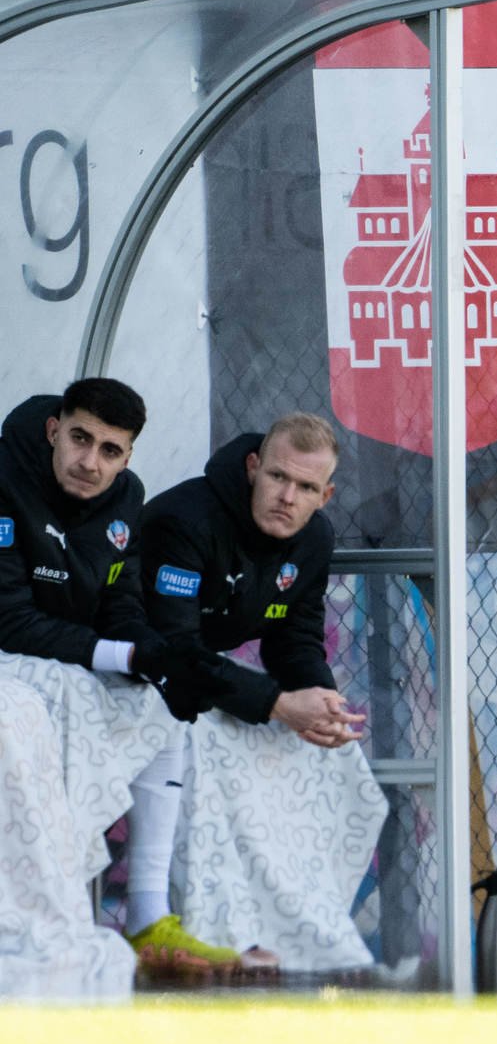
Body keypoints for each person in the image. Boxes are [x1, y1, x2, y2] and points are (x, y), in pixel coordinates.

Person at [0, 379, 231, 984]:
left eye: (110, 450)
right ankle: (53, 909)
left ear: (127, 457)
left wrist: (155, 656)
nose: (90, 462)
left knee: (162, 705)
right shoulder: (5, 478)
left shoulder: (127, 498)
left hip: (66, 657)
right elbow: (8, 619)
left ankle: (148, 918)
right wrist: (124, 654)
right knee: (38, 708)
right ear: (54, 430)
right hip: (9, 658)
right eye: (80, 439)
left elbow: (120, 603)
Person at [139, 412, 386, 972]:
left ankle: (301, 926)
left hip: (202, 675)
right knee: (202, 748)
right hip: (139, 670)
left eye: (306, 488)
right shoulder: (185, 520)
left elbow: (295, 638)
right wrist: (276, 704)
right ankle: (215, 930)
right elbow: (173, 647)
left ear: (326, 495)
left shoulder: (314, 538)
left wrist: (320, 699)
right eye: (278, 477)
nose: (287, 497)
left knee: (337, 762)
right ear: (254, 467)